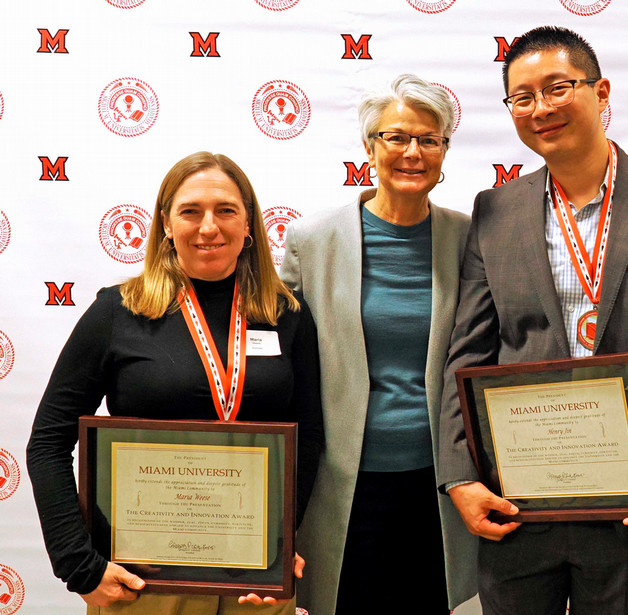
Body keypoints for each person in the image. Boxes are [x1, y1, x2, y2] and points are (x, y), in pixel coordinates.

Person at [437, 26, 628, 614]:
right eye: (522, 97)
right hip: (516, 495)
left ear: (600, 92)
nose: (541, 109)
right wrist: (459, 475)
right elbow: (467, 351)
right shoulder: (494, 209)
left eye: (557, 88)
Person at [26, 152, 324, 615]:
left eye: (226, 210)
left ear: (250, 224)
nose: (209, 227)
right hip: (144, 583)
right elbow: (47, 442)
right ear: (165, 223)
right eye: (190, 211)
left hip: (255, 583)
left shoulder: (287, 315)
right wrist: (79, 567)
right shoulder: (117, 311)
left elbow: (309, 437)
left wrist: (280, 548)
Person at [279, 74, 476, 614]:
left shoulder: (470, 237)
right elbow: (280, 358)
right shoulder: (311, 240)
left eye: (429, 140)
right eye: (396, 137)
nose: (412, 152)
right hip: (343, 482)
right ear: (370, 148)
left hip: (440, 484)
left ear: (443, 153)